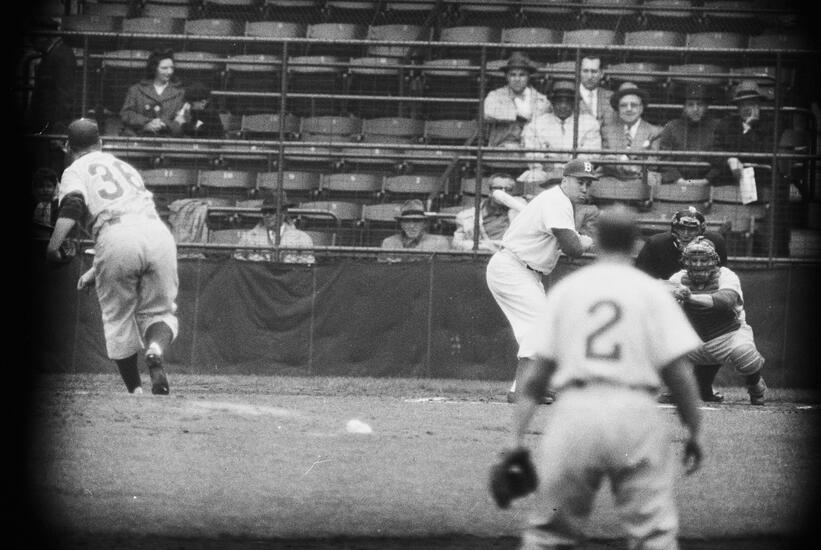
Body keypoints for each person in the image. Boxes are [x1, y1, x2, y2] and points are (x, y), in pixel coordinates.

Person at [509, 205, 703, 549]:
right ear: (635, 243)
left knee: (548, 533)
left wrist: (515, 440)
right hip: (635, 412)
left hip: (576, 413)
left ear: (596, 241)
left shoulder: (569, 290)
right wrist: (695, 432)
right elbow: (681, 377)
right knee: (654, 534)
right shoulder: (651, 292)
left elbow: (535, 381)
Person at [45, 118, 178, 395]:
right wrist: (97, 269)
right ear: (101, 143)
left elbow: (73, 204)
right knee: (160, 312)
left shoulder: (74, 169)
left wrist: (53, 245)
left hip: (116, 235)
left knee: (118, 320)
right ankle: (155, 349)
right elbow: (134, 223)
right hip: (157, 233)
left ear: (68, 146)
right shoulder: (123, 166)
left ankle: (136, 392)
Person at [486, 159, 597, 404]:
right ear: (565, 180)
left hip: (525, 271)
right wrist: (584, 242)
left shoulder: (558, 201)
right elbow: (573, 249)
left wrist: (577, 240)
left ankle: (525, 387)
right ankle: (523, 391)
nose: (585, 188)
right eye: (580, 182)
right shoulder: (557, 201)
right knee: (540, 327)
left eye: (588, 184)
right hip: (512, 267)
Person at [635, 207, 728, 402]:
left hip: (702, 300)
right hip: (665, 302)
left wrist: (700, 299)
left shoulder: (716, 243)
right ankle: (673, 386)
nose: (686, 233)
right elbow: (640, 282)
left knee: (722, 327)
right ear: (673, 228)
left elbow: (721, 278)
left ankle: (703, 386)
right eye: (681, 228)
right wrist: (669, 290)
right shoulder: (656, 244)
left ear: (701, 230)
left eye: (691, 229)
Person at [668, 237, 767, 405]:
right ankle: (674, 389)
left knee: (746, 355)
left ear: (714, 261)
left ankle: (755, 385)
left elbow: (725, 301)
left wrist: (690, 297)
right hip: (694, 339)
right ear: (685, 261)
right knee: (662, 346)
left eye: (703, 260)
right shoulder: (678, 278)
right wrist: (669, 295)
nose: (698, 265)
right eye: (694, 260)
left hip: (727, 335)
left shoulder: (726, 275)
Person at [520, 79, 601, 187]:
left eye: (568, 101)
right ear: (552, 102)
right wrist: (550, 168)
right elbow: (533, 156)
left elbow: (591, 156)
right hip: (546, 173)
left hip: (576, 174)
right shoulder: (537, 124)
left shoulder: (589, 123)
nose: (563, 105)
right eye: (559, 101)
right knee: (533, 176)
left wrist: (566, 168)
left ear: (574, 103)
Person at [706, 80, 774, 189]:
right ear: (738, 107)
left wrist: (748, 128)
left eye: (751, 103)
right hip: (729, 181)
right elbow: (713, 151)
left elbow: (764, 156)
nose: (747, 109)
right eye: (743, 104)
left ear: (758, 105)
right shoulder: (726, 124)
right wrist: (729, 160)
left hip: (760, 182)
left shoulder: (770, 126)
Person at [483, 51, 552, 149]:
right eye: (513, 75)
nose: (517, 79)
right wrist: (517, 114)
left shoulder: (540, 99)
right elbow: (487, 113)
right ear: (506, 77)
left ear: (528, 77)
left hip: (532, 149)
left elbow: (545, 119)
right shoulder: (496, 95)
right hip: (501, 148)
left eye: (522, 75)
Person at [600, 82, 663, 185]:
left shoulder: (654, 131)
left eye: (633, 105)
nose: (629, 109)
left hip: (641, 181)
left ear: (641, 108)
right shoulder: (607, 131)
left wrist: (623, 163)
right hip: (613, 181)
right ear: (618, 109)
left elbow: (653, 163)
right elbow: (605, 161)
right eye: (623, 105)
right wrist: (628, 165)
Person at [658, 83, 720, 185]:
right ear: (684, 107)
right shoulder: (671, 127)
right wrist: (679, 180)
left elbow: (721, 160)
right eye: (690, 104)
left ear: (706, 107)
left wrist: (707, 180)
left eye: (699, 104)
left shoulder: (717, 127)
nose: (695, 109)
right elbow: (665, 159)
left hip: (709, 185)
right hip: (676, 184)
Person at [25, 16, 77, 135]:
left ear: (45, 36)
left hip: (51, 124)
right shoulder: (53, 54)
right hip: (47, 121)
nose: (32, 42)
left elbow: (65, 94)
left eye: (34, 37)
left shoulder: (61, 55)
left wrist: (59, 126)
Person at [451, 173, 527, 252]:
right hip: (480, 256)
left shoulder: (519, 212)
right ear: (490, 191)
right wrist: (487, 246)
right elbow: (457, 244)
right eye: (498, 188)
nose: (503, 192)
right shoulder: (467, 216)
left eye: (508, 189)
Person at [233, 193, 315, 264]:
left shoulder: (302, 238)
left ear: (284, 213)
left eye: (272, 211)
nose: (267, 215)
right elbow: (238, 265)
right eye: (264, 212)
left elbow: (306, 268)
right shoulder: (248, 237)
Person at [119, 49, 185, 136]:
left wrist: (164, 124)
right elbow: (126, 114)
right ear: (154, 69)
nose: (170, 72)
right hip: (139, 137)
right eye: (164, 68)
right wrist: (146, 123)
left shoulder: (180, 92)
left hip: (168, 139)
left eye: (172, 68)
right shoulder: (136, 90)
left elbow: (184, 118)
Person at [380, 199, 452, 258]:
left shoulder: (438, 242)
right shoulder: (389, 243)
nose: (412, 226)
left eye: (416, 221)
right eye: (407, 221)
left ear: (425, 224)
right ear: (401, 224)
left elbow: (443, 269)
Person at [576, 55, 615, 127]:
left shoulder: (611, 97)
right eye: (585, 71)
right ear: (579, 72)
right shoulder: (570, 95)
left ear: (601, 74)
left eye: (594, 72)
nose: (589, 76)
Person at [31, 166, 59, 235]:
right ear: (35, 188)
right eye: (41, 186)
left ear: (55, 187)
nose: (45, 190)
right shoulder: (34, 204)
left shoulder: (58, 205)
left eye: (49, 186)